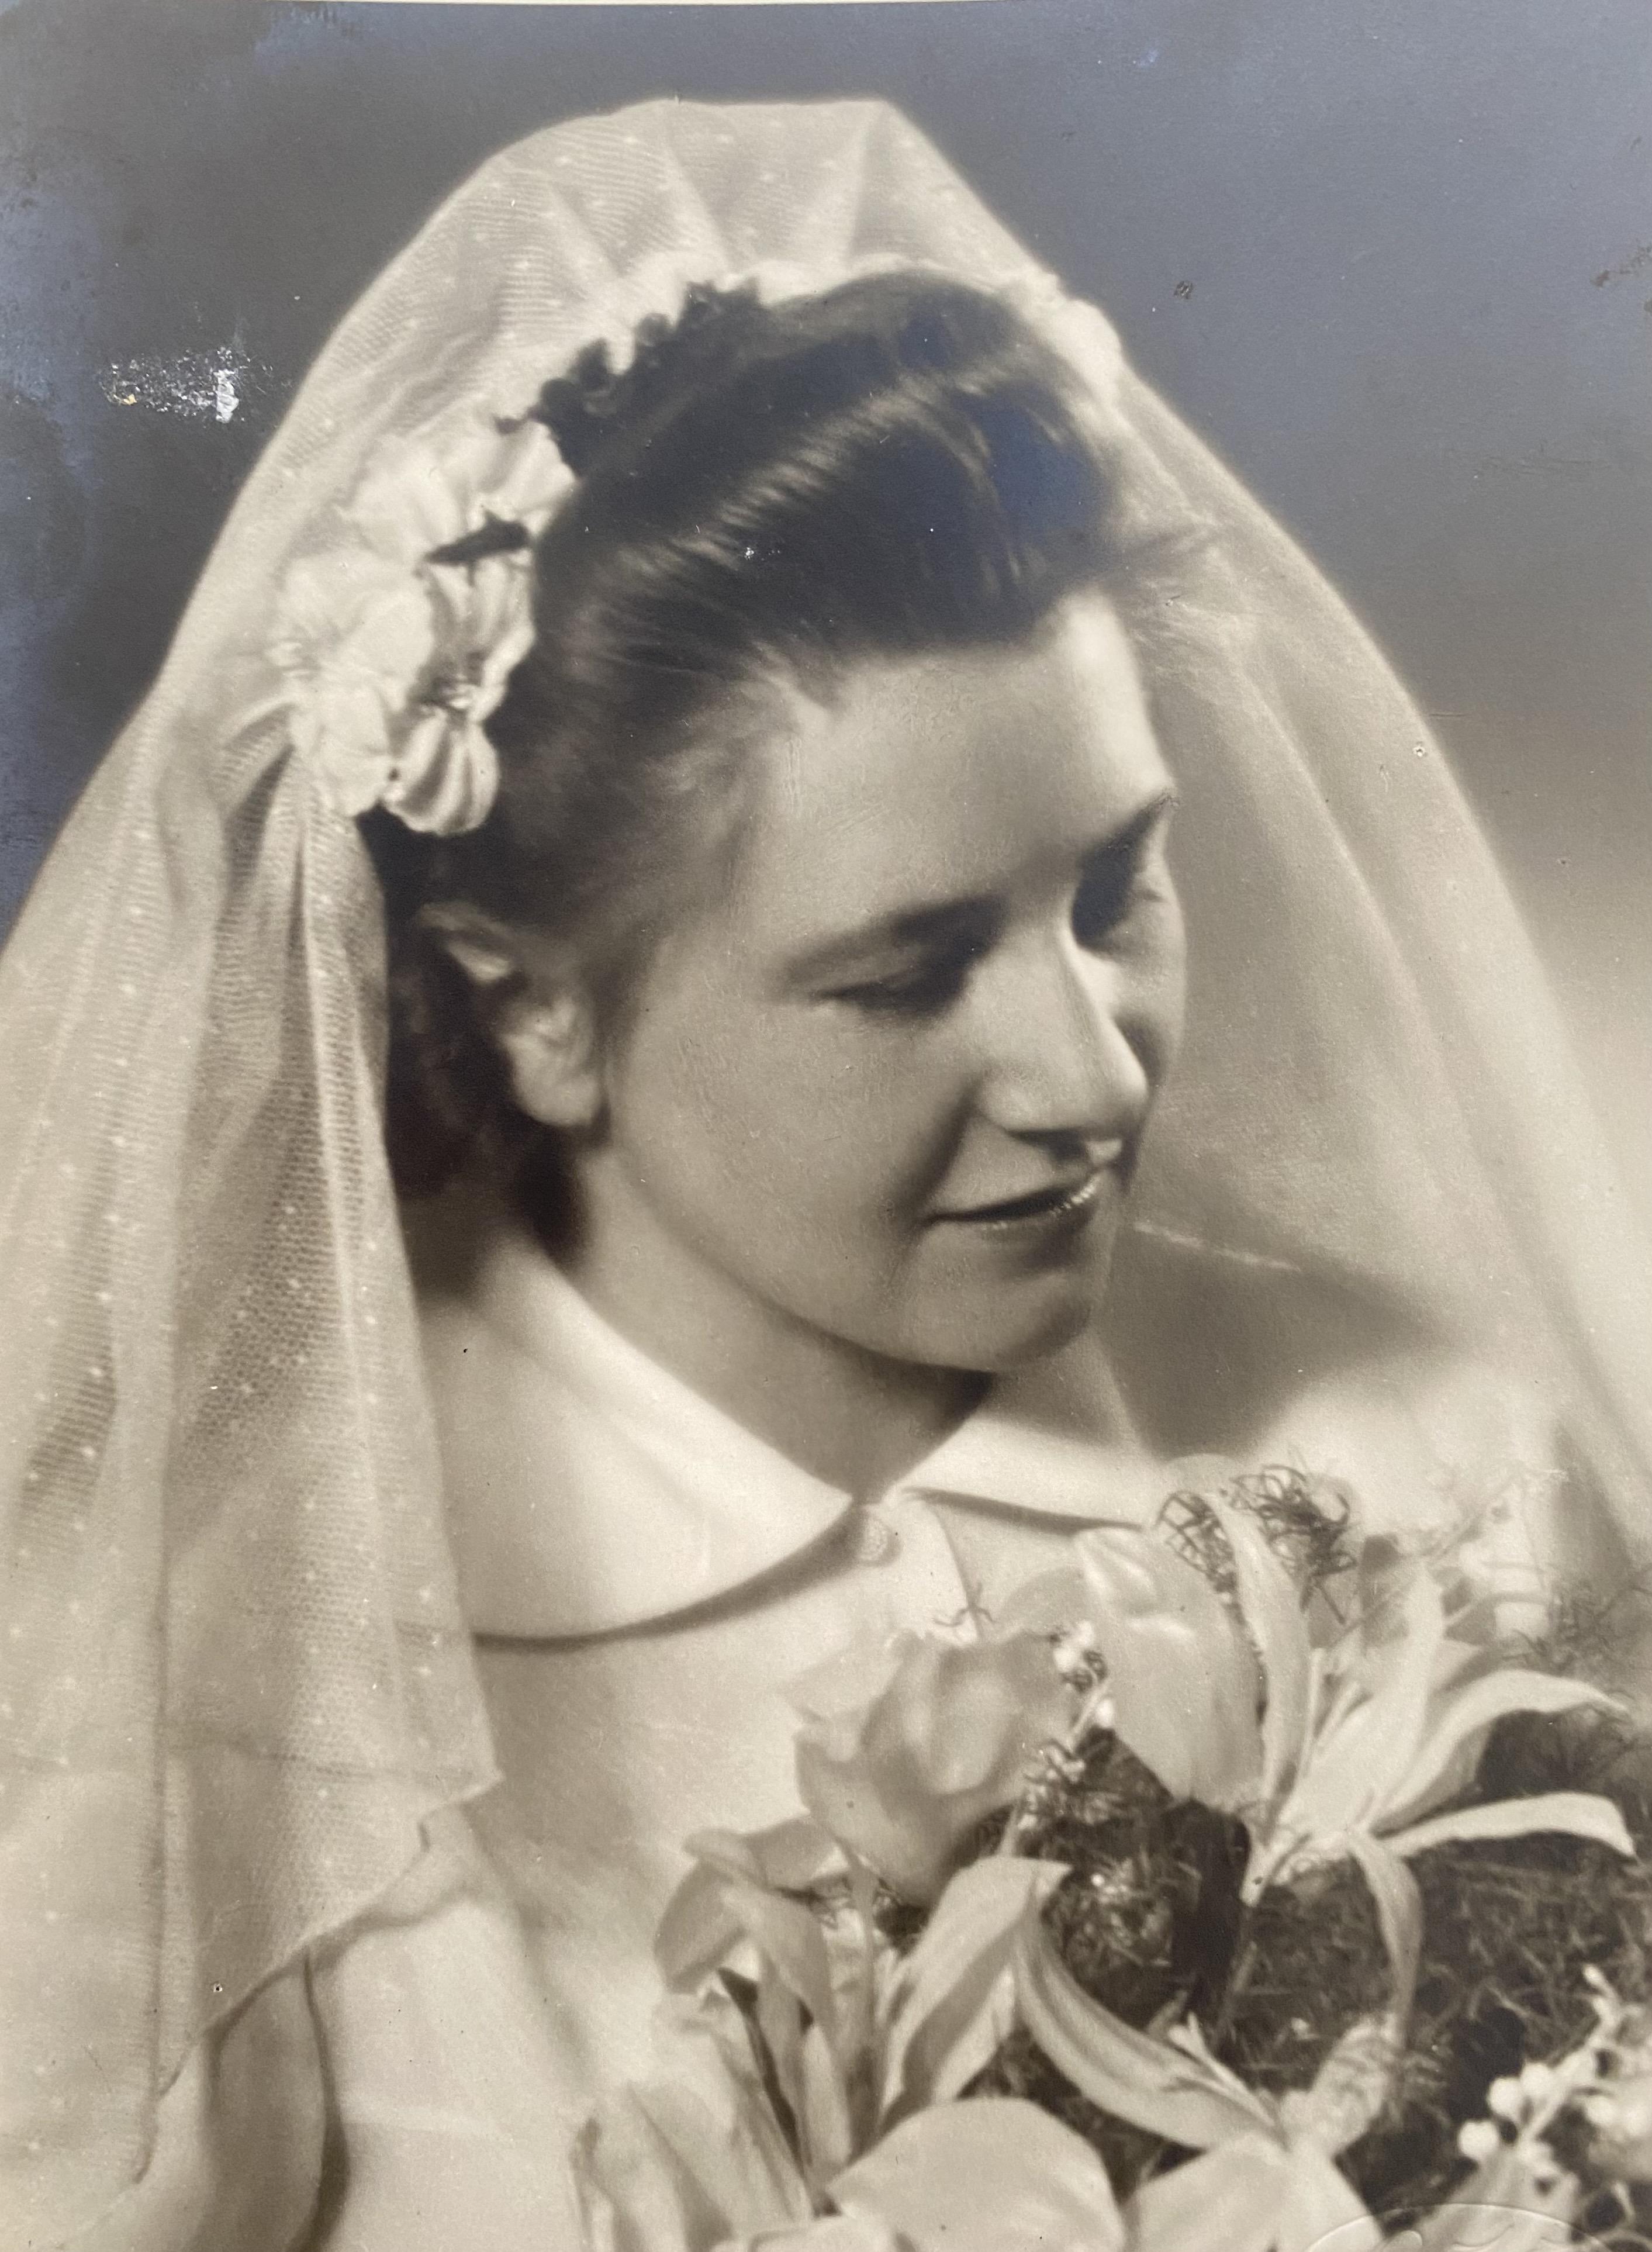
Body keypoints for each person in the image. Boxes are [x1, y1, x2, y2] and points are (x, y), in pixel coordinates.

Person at [1, 98, 1647, 2252]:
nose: (1089, 1074)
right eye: (903, 973)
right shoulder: (223, 1722)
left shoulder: (1421, 1450)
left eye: (1115, 889)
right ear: (531, 1009)